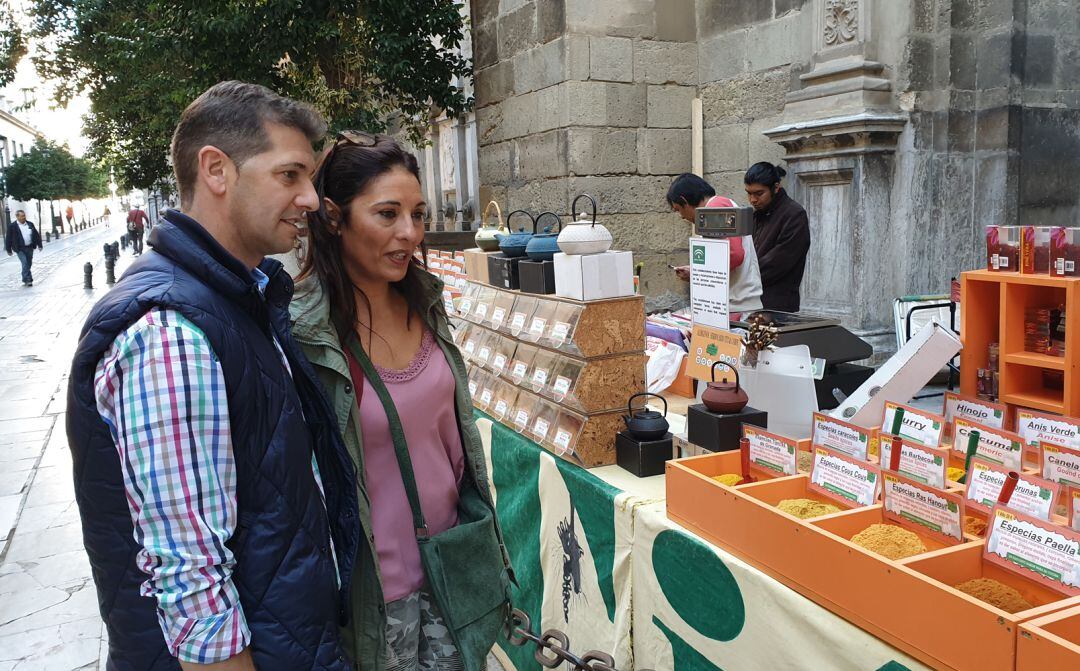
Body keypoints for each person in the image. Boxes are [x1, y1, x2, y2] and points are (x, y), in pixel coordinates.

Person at [67, 81, 360, 671]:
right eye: (290, 175)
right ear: (216, 170)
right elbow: (191, 577)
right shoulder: (172, 330)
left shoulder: (237, 298)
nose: (310, 198)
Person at [291, 133, 512, 671]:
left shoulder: (429, 304)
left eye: (417, 214)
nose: (410, 234)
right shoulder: (305, 334)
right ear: (335, 218)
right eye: (387, 214)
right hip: (375, 594)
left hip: (452, 569)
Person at [666, 175, 764, 315]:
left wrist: (698, 273)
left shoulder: (715, 207)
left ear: (684, 201)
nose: (681, 216)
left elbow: (734, 255)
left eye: (678, 209)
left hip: (737, 305)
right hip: (736, 303)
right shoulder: (717, 207)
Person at [744, 161, 810, 313]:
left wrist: (741, 277)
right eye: (749, 193)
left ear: (776, 187)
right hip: (752, 303)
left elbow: (777, 263)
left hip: (777, 308)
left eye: (759, 193)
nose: (753, 199)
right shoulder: (755, 216)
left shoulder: (794, 214)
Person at [5, 210, 43, 287]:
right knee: (25, 262)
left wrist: (40, 244)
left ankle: (25, 278)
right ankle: (28, 280)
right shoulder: (12, 226)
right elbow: (8, 238)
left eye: (24, 215)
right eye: (21, 216)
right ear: (17, 217)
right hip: (19, 248)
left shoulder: (30, 224)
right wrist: (8, 249)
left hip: (29, 247)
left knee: (28, 263)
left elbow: (36, 234)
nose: (23, 217)